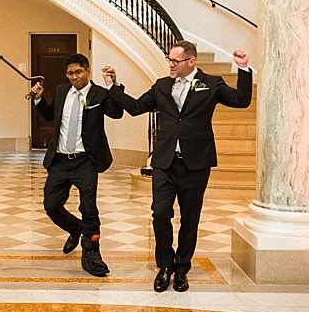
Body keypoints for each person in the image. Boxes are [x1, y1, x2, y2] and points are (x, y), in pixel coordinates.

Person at [102, 41, 252, 292]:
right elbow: (137, 107)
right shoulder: (162, 85)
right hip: (164, 162)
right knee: (160, 213)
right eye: (169, 59)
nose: (170, 64)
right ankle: (165, 266)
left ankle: (182, 268)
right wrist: (112, 86)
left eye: (175, 60)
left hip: (196, 163)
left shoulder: (211, 83)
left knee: (190, 218)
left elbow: (241, 100)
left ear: (191, 61)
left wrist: (244, 69)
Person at [29, 53, 124, 277]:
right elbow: (51, 115)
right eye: (70, 73)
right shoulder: (62, 91)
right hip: (60, 160)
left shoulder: (99, 93)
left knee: (88, 208)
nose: (74, 77)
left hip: (85, 161)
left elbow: (117, 113)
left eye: (78, 72)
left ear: (88, 71)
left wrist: (114, 86)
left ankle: (92, 255)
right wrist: (38, 100)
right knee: (52, 206)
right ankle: (76, 229)